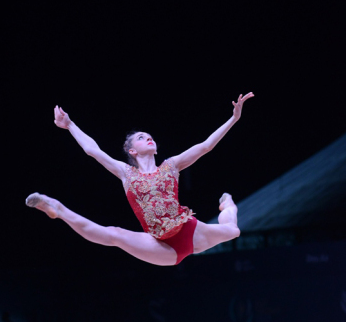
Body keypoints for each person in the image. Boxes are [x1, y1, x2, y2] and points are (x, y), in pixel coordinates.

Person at [26, 94, 254, 266]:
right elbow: (92, 150)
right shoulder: (126, 173)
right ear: (132, 151)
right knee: (114, 235)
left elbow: (205, 146)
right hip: (161, 246)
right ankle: (57, 208)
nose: (148, 138)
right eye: (141, 138)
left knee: (233, 230)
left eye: (149, 136)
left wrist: (233, 119)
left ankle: (228, 204)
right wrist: (69, 125)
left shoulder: (171, 166)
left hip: (190, 231)